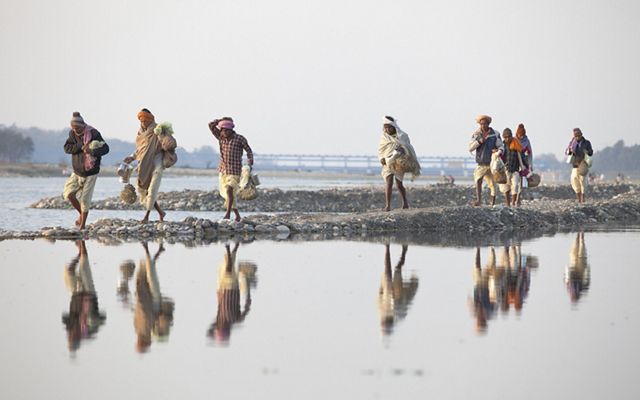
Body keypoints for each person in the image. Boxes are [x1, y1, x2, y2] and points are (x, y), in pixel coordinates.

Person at [124, 108, 175, 223]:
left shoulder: (158, 129)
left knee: (152, 190)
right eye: (141, 121)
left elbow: (169, 144)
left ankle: (146, 216)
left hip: (157, 162)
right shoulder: (140, 133)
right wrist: (131, 157)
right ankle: (161, 212)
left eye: (145, 121)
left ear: (150, 120)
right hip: (144, 164)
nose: (143, 123)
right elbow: (140, 149)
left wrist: (162, 136)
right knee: (145, 190)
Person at [63, 112, 110, 229]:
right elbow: (67, 148)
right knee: (69, 193)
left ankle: (82, 226)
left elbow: (105, 149)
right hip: (77, 170)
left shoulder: (93, 133)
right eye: (73, 128)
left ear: (83, 125)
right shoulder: (72, 134)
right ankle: (81, 215)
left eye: (77, 128)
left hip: (91, 172)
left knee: (85, 199)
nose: (75, 130)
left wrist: (91, 151)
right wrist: (80, 146)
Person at [207, 242, 257, 344]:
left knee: (227, 268)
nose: (218, 326)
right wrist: (248, 295)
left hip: (224, 289)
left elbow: (246, 309)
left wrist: (248, 297)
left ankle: (233, 247)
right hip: (229, 289)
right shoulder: (232, 320)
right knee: (228, 270)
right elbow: (246, 310)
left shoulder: (226, 320)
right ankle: (229, 248)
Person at [61, 240, 106, 352]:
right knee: (83, 264)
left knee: (68, 271)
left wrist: (74, 320)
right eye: (72, 338)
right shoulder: (90, 332)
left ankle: (79, 250)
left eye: (71, 338)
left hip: (76, 293)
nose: (72, 335)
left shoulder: (70, 326)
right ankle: (81, 247)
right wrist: (89, 320)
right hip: (89, 292)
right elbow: (103, 318)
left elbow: (64, 317)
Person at [208, 117, 254, 221]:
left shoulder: (239, 139)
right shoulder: (220, 137)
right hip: (223, 170)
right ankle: (237, 215)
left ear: (231, 130)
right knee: (228, 195)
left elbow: (249, 150)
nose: (224, 133)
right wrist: (220, 120)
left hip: (235, 171)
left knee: (229, 190)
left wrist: (250, 160)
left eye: (226, 131)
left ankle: (227, 214)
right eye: (222, 130)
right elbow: (210, 125)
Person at [134, 241, 174, 353]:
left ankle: (150, 250)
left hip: (151, 301)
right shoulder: (141, 329)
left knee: (150, 274)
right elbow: (143, 312)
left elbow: (141, 311)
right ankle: (151, 251)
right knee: (151, 275)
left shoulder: (141, 329)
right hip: (152, 301)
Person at [377, 116, 421, 211]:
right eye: (386, 127)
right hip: (387, 163)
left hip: (398, 163)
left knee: (399, 184)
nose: (387, 129)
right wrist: (381, 158)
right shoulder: (384, 137)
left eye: (389, 127)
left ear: (394, 127)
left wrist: (402, 150)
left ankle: (405, 203)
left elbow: (408, 148)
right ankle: (388, 205)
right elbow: (381, 150)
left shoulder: (402, 136)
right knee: (389, 183)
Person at [377, 243, 418, 336]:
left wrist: (384, 287)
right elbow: (381, 293)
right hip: (399, 295)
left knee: (393, 272)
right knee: (395, 271)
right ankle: (399, 250)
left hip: (401, 295)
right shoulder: (399, 313)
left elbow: (381, 292)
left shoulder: (397, 312)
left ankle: (389, 247)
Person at [468, 115, 503, 206]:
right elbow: (470, 148)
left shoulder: (495, 134)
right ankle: (479, 200)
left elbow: (501, 146)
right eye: (481, 124)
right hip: (481, 162)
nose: (483, 125)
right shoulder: (476, 134)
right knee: (478, 180)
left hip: (492, 163)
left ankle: (493, 202)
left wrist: (498, 151)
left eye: (485, 124)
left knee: (493, 184)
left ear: (488, 124)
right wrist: (479, 142)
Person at [565, 128, 593, 203]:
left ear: (581, 135)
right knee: (574, 181)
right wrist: (570, 151)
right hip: (575, 165)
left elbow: (591, 152)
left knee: (583, 182)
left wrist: (587, 151)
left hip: (583, 164)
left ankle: (582, 198)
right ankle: (578, 198)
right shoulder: (572, 143)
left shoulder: (586, 143)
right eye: (575, 136)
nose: (577, 137)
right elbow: (567, 151)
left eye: (578, 135)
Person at [499, 128, 523, 207]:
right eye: (505, 137)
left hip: (515, 169)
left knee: (515, 185)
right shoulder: (501, 146)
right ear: (503, 137)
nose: (507, 138)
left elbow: (521, 157)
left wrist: (524, 167)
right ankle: (508, 204)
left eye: (509, 136)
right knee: (506, 188)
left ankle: (513, 202)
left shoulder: (516, 145)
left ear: (511, 136)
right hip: (505, 169)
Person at [565, 232, 590, 304]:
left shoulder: (578, 289)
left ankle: (579, 234)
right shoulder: (582, 289)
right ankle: (580, 234)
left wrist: (588, 269)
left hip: (576, 266)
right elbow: (566, 278)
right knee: (578, 247)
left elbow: (566, 278)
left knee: (579, 247)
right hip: (578, 267)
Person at [515, 123, 532, 205]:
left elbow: (530, 154)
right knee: (515, 182)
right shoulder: (514, 140)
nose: (521, 137)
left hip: (523, 163)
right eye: (519, 135)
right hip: (515, 163)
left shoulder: (527, 141)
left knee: (521, 182)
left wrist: (530, 165)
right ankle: (515, 198)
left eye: (522, 135)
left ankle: (518, 198)